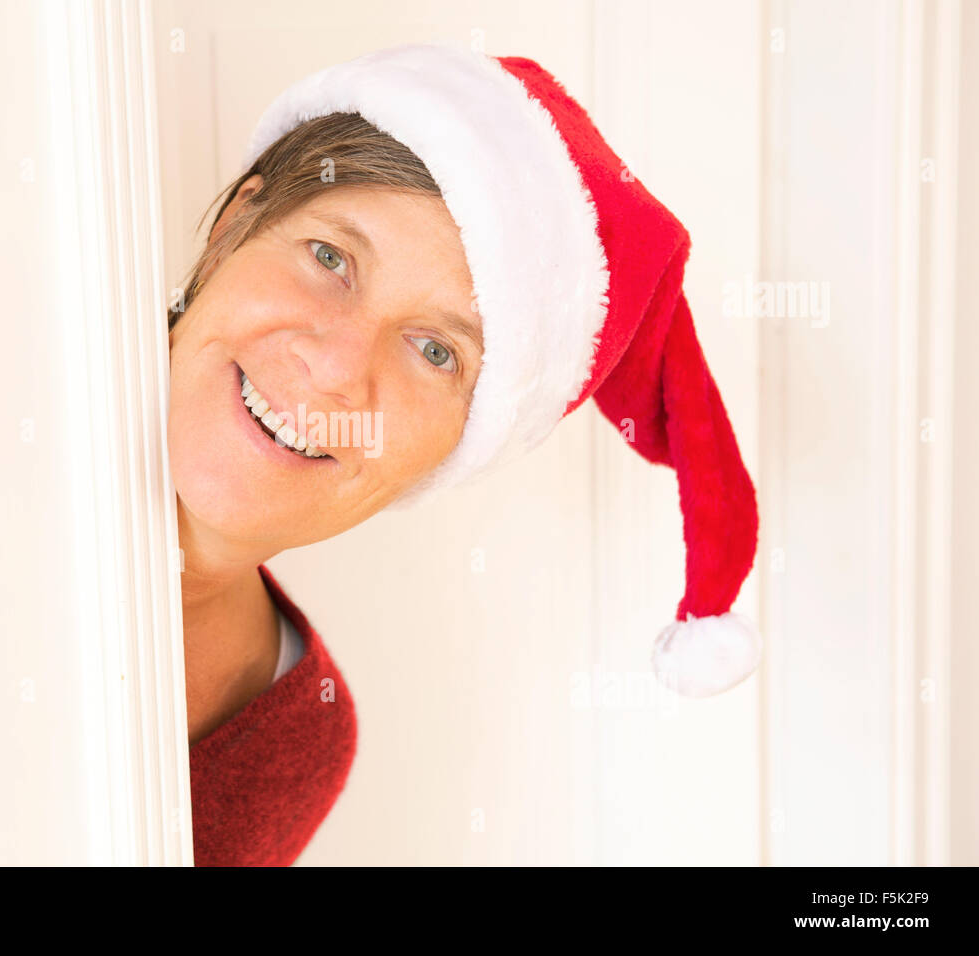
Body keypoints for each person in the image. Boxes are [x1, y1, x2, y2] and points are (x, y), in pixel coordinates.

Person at [166, 42, 761, 867]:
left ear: (451, 451)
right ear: (235, 227)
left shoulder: (294, 738)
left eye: (434, 350)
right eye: (330, 258)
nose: (337, 370)